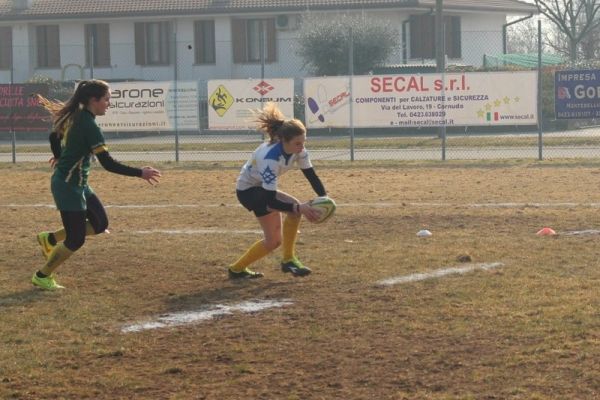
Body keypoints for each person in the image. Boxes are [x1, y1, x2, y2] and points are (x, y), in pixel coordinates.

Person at [32, 79, 161, 290]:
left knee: (100, 223)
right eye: (107, 99)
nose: (109, 104)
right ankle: (42, 275)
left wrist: (59, 156)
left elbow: (54, 135)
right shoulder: (88, 125)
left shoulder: (79, 116)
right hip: (67, 186)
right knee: (76, 239)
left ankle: (50, 239)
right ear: (94, 100)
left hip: (79, 184)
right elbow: (108, 164)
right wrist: (141, 172)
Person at [229, 102, 328, 279]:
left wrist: (324, 197)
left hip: (260, 190)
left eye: (304, 141)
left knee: (273, 241)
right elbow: (270, 201)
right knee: (292, 213)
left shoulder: (298, 150)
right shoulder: (271, 159)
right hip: (249, 193)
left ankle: (237, 269)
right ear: (284, 141)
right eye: (298, 143)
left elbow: (311, 176)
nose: (302, 147)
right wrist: (300, 208)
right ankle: (288, 260)